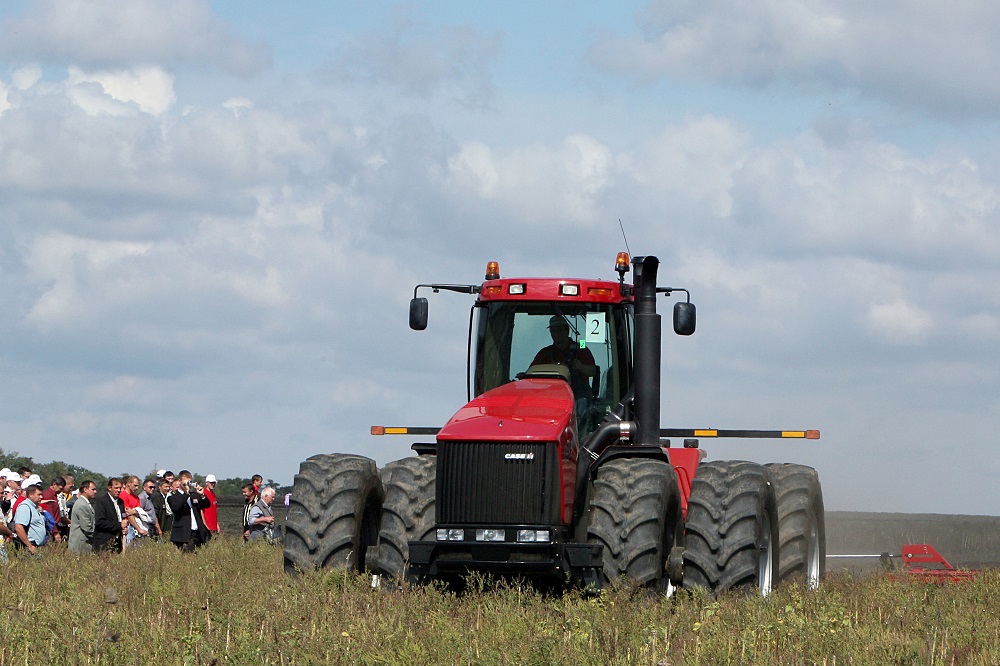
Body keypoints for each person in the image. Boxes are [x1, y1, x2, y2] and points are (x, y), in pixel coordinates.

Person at [530, 315, 598, 402]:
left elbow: (593, 370)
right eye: (553, 331)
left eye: (560, 330)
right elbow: (531, 375)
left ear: (567, 330)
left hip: (579, 398)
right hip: (551, 399)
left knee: (582, 402)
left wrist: (580, 367)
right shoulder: (545, 353)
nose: (557, 334)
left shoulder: (581, 347)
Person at [168, 471, 211, 553]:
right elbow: (176, 507)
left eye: (189, 482)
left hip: (197, 531)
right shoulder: (173, 497)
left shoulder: (194, 495)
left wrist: (202, 495)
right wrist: (186, 493)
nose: (188, 485)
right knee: (188, 555)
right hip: (184, 533)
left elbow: (207, 504)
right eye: (186, 482)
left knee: (199, 555)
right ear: (180, 481)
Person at [92, 478, 127, 553]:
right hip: (104, 541)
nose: (118, 490)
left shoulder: (120, 502)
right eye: (116, 488)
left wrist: (124, 527)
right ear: (109, 488)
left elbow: (123, 517)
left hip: (118, 541)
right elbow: (99, 522)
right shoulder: (102, 501)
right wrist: (119, 525)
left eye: (120, 488)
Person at [12, 484, 47, 555]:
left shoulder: (34, 507)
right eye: (39, 494)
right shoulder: (25, 507)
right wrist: (29, 545)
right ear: (30, 495)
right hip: (28, 547)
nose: (41, 497)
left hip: (36, 547)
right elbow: (18, 527)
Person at [68, 480, 98, 554]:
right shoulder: (82, 505)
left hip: (83, 544)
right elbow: (87, 527)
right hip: (80, 545)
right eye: (93, 489)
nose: (95, 492)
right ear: (85, 489)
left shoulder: (85, 503)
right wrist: (98, 536)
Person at [119, 475, 148, 546]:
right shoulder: (123, 495)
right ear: (129, 483)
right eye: (135, 485)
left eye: (138, 486)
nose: (137, 488)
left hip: (136, 525)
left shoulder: (136, 497)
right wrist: (139, 529)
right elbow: (128, 514)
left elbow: (139, 512)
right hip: (128, 525)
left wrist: (135, 511)